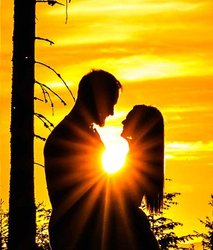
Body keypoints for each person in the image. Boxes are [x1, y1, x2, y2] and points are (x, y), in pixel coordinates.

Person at [44, 69, 122, 250]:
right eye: (111, 103)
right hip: (78, 237)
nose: (111, 112)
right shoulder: (69, 136)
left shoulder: (84, 131)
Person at [101, 103, 165, 250]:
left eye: (128, 118)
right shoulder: (137, 157)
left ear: (139, 126)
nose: (123, 121)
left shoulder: (139, 159)